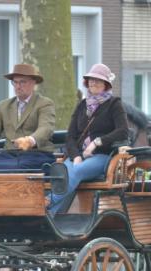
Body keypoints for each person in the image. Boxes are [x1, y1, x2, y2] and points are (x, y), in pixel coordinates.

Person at [48, 63, 129, 214]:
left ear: (106, 84)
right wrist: (76, 155)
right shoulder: (82, 105)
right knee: (62, 171)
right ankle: (49, 217)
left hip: (103, 156)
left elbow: (123, 131)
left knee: (77, 171)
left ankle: (48, 203)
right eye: (91, 79)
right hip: (79, 156)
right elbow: (70, 136)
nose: (93, 83)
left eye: (98, 80)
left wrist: (98, 142)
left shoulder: (114, 104)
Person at [0, 63, 55, 170]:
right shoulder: (4, 105)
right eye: (15, 82)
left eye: (22, 82)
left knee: (18, 166)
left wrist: (30, 140)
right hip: (9, 154)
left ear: (33, 83)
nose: (18, 86)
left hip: (37, 154)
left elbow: (46, 128)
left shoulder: (44, 103)